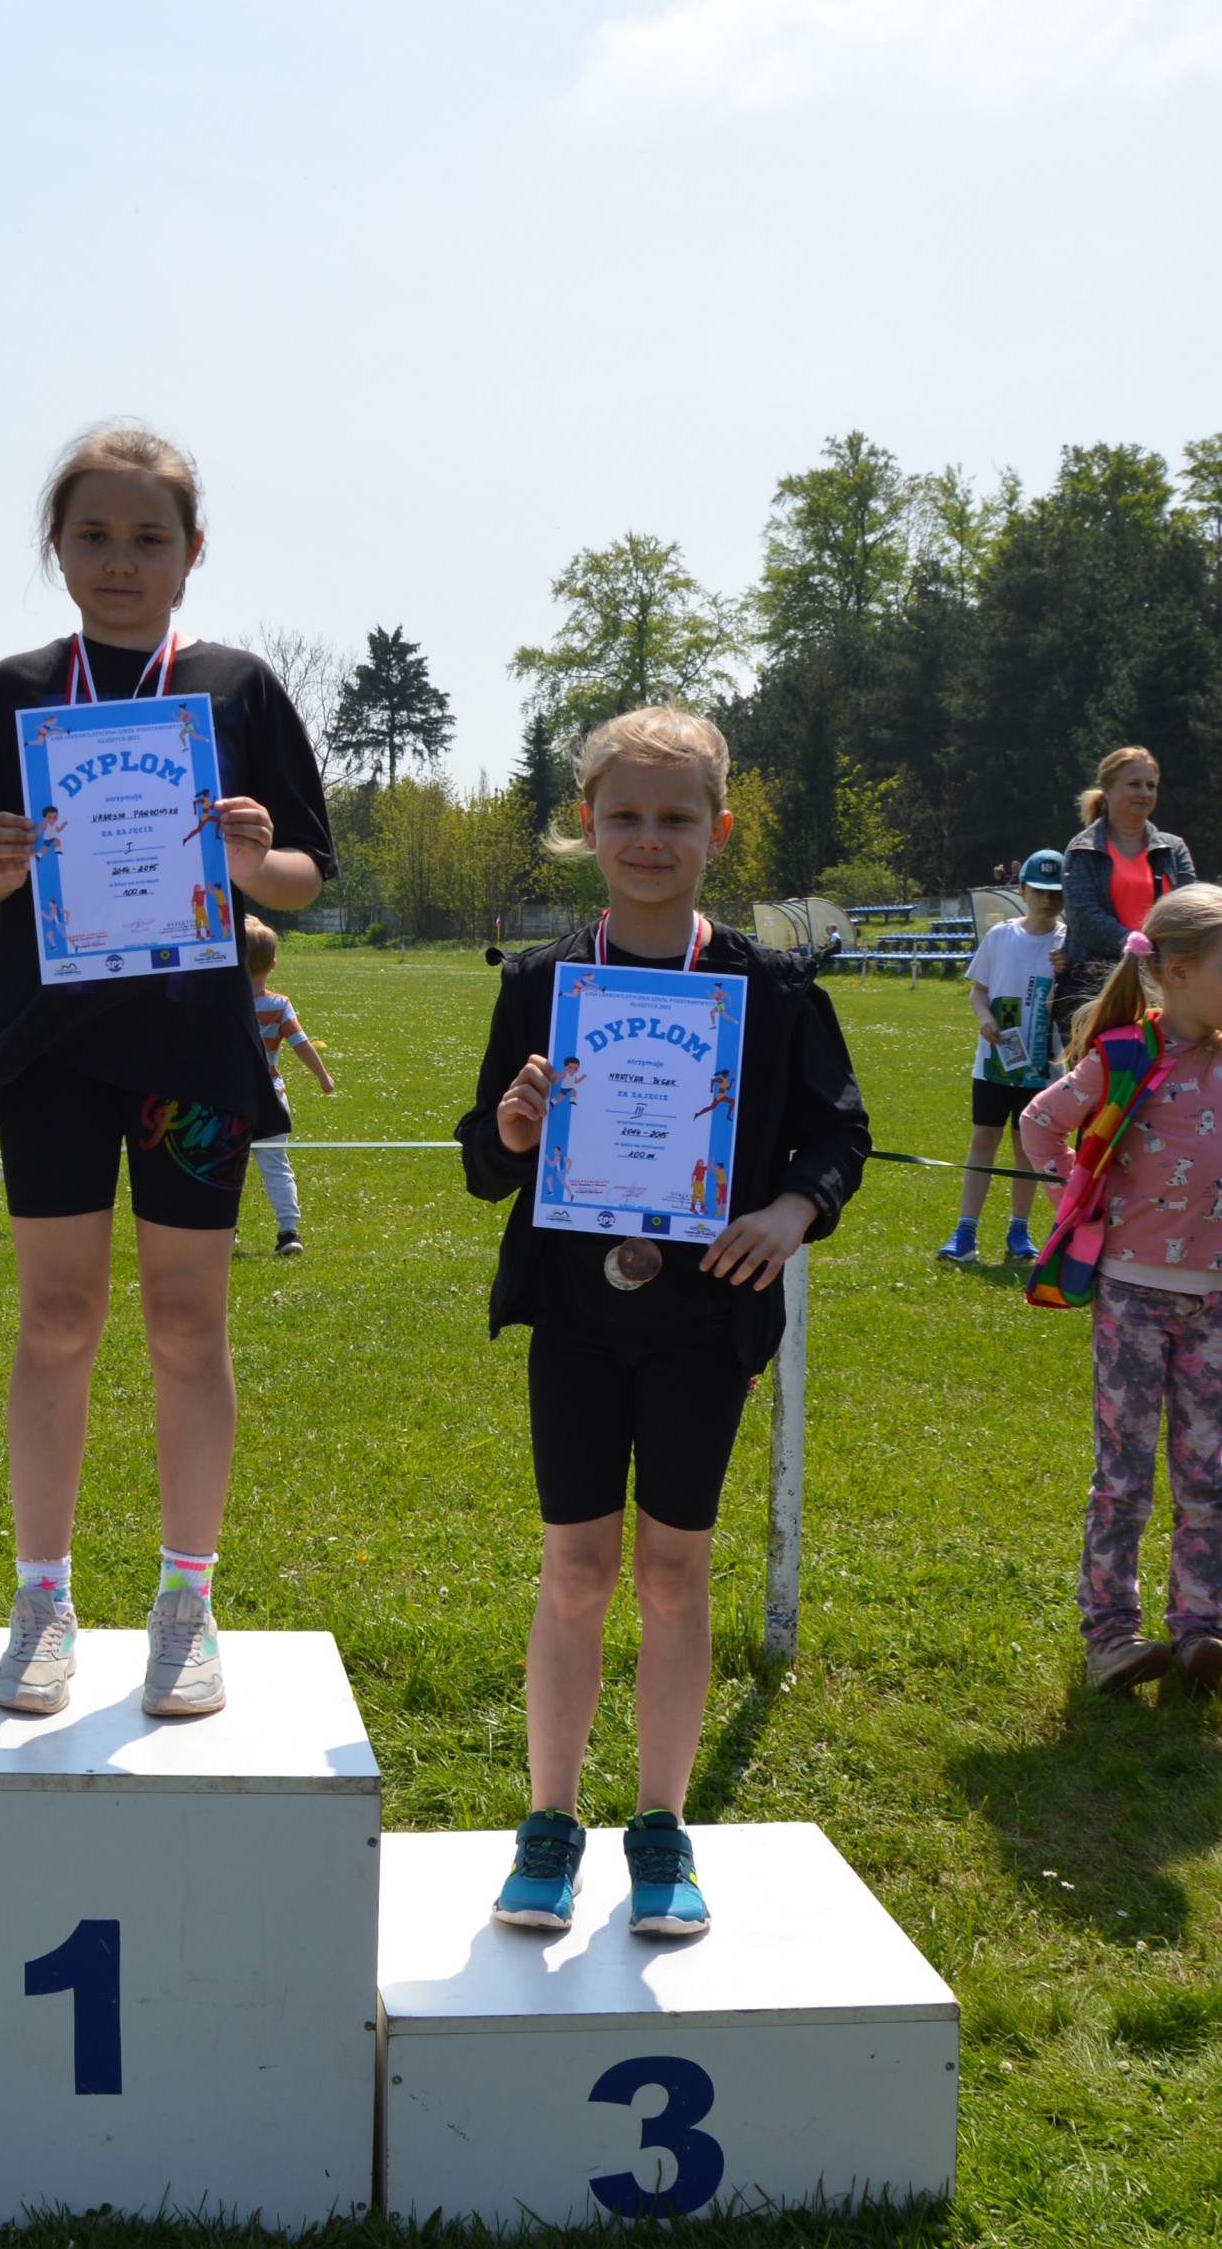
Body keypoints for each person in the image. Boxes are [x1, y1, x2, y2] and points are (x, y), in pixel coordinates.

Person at [0, 422, 333, 1723]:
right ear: (55, 548)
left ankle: (184, 1602)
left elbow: (301, 878)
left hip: (188, 1054)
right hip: (52, 1051)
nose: (119, 559)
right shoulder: (14, 691)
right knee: (56, 1320)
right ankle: (40, 1599)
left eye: (147, 537)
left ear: (191, 551)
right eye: (92, 534)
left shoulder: (236, 687)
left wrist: (253, 859)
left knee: (184, 1325)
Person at [457, 707, 869, 1937]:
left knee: (675, 1571)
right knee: (576, 1568)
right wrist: (513, 1131)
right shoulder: (541, 982)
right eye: (624, 815)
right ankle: (548, 1822)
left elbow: (836, 1133)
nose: (649, 838)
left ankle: (659, 1825)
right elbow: (482, 1158)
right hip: (575, 1316)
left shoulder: (769, 986)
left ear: (716, 831)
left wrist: (791, 1208)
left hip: (704, 1319)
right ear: (586, 827)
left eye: (674, 817)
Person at [1021, 885, 1222, 1695]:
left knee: (1209, 1476)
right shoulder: (1123, 1057)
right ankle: (1110, 1635)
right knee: (1124, 1478)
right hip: (1131, 1296)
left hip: (1215, 1304)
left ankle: (1200, 1630)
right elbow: (1040, 1123)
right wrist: (1078, 1199)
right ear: (1176, 972)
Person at [937, 851, 1066, 1267]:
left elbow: (1082, 1001)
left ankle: (1019, 1231)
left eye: (1057, 892)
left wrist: (1070, 969)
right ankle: (965, 1233)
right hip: (994, 1063)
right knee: (983, 1141)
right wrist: (985, 1018)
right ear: (1021, 890)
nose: (1049, 899)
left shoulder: (1069, 944)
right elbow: (979, 991)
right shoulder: (1000, 936)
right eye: (1040, 891)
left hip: (1043, 1067)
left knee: (1026, 1147)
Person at [1057, 747, 1196, 1058]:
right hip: (1096, 988)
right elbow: (1082, 916)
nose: (1144, 793)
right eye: (1134, 784)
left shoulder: (1174, 849)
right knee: (1100, 1081)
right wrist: (1132, 943)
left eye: (1151, 785)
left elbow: (1188, 909)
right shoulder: (1082, 848)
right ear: (1107, 790)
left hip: (1162, 984)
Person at [243, 914, 334, 1255]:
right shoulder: (279, 1005)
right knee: (277, 1168)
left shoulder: (225, 1004)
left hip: (230, 1100)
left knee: (225, 1169)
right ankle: (288, 1232)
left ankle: (225, 1230)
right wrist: (323, 1077)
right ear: (273, 964)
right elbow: (301, 1044)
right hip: (272, 1098)